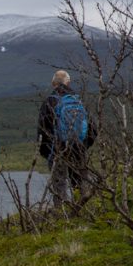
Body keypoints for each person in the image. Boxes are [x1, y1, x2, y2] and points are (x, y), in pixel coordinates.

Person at [38, 70, 97, 207]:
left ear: (54, 84)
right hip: (78, 149)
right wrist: (83, 145)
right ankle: (84, 212)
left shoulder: (50, 102)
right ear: (68, 82)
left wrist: (46, 153)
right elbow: (93, 129)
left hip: (58, 149)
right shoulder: (78, 100)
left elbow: (43, 130)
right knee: (80, 183)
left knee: (59, 185)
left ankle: (61, 216)